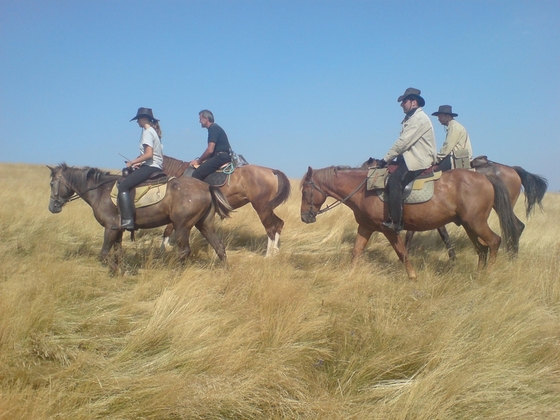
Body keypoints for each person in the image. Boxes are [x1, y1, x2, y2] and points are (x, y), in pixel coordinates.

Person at [378, 87, 437, 233]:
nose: (401, 104)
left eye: (404, 101)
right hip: (410, 157)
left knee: (394, 181)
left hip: (419, 159)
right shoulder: (411, 118)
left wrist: (385, 159)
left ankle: (396, 222)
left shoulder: (418, 119)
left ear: (414, 102)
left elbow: (403, 142)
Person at [116, 107, 164, 231]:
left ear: (144, 119)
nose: (137, 122)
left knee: (123, 186)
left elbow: (149, 154)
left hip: (151, 166)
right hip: (155, 166)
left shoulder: (147, 132)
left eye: (138, 119)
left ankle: (128, 220)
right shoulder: (154, 131)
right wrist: (139, 164)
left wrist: (133, 162)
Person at [189, 110, 232, 180]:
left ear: (206, 119)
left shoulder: (213, 129)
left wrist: (198, 161)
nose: (199, 121)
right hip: (222, 156)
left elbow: (210, 150)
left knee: (196, 174)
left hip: (220, 157)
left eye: (200, 119)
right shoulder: (215, 128)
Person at [432, 105, 473, 171]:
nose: (438, 119)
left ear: (447, 116)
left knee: (433, 173)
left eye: (440, 116)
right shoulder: (454, 126)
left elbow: (447, 147)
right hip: (459, 158)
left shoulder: (454, 127)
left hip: (455, 160)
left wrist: (435, 159)